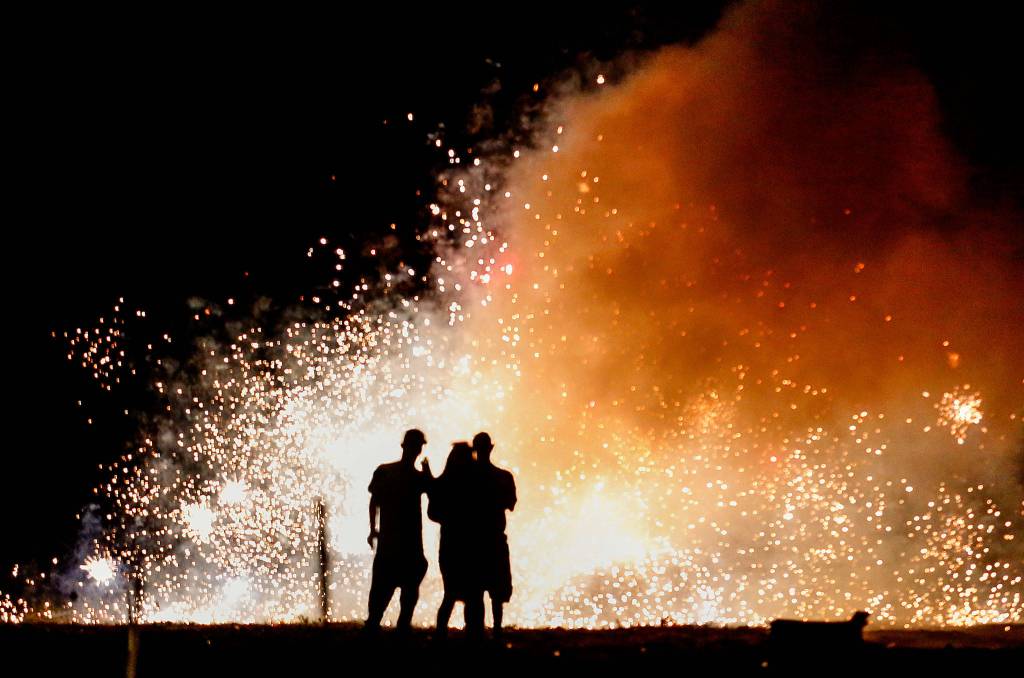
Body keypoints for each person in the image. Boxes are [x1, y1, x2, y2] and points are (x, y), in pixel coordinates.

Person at [365, 429, 432, 633]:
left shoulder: (389, 472)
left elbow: (374, 502)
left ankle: (379, 627)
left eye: (418, 446)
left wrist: (373, 530)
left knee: (387, 589)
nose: (417, 450)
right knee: (392, 590)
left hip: (397, 542)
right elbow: (374, 501)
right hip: (400, 542)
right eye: (416, 446)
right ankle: (389, 627)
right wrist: (373, 529)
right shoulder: (404, 475)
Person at [426, 442, 483, 638]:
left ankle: (445, 634)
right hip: (467, 544)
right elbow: (433, 512)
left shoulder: (445, 482)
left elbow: (433, 512)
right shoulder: (476, 482)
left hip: (454, 544)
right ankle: (473, 634)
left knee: (454, 593)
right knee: (470, 594)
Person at [471, 431, 516, 636]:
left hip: (475, 539)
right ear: (490, 448)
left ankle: (479, 630)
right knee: (496, 591)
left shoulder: (466, 478)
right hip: (494, 539)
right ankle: (496, 629)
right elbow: (511, 503)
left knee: (477, 589)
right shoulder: (503, 477)